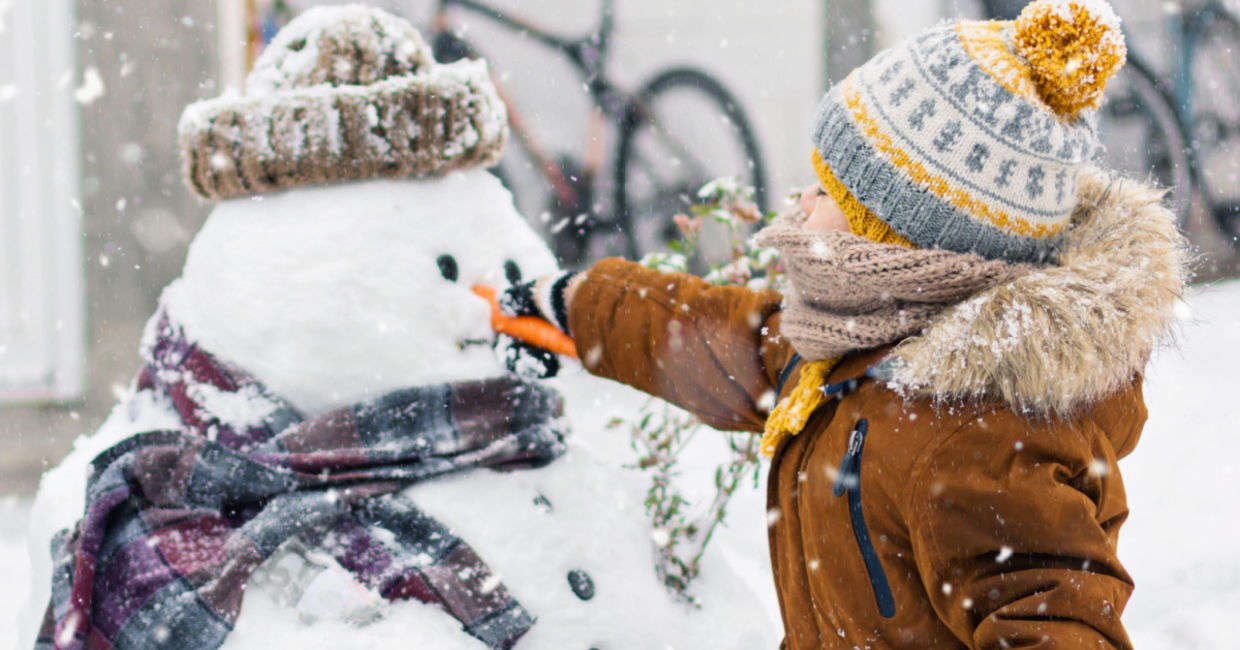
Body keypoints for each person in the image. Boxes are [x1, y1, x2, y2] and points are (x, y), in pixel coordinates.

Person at [500, 0, 1190, 647]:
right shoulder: (855, 348)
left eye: (830, 189)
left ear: (895, 235)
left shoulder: (974, 436)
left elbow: (1057, 620)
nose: (802, 200)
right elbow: (730, 344)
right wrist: (580, 304)